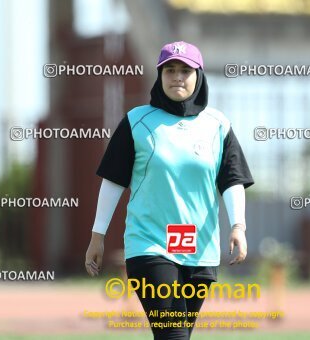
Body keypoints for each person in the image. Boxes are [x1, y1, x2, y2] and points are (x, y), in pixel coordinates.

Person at [85, 41, 254, 340]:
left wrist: (238, 226)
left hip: (200, 250)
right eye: (170, 70)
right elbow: (113, 180)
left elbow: (232, 179)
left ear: (198, 76)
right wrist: (97, 236)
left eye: (185, 70)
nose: (177, 77)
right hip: (150, 246)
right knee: (172, 335)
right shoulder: (137, 121)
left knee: (178, 335)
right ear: (159, 76)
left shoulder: (218, 125)